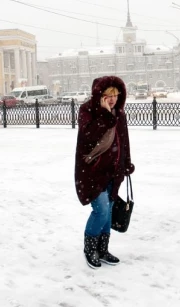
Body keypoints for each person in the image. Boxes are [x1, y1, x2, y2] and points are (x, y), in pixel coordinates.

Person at [74, 76, 135, 269]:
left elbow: (124, 142)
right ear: (99, 95)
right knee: (100, 211)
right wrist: (104, 114)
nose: (112, 99)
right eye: (108, 95)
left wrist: (126, 163)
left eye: (115, 95)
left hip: (114, 171)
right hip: (93, 172)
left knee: (108, 212)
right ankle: (89, 249)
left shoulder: (120, 113)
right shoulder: (87, 111)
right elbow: (88, 136)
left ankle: (102, 249)